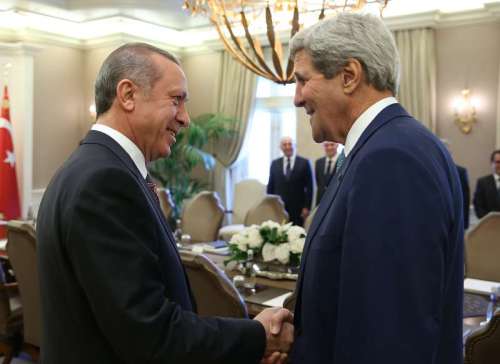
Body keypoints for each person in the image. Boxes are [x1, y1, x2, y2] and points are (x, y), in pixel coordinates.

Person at [36, 43, 293, 364]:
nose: (185, 119)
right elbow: (151, 335)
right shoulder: (105, 182)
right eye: (176, 100)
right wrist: (258, 336)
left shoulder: (90, 166)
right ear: (127, 95)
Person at [289, 13, 463, 364]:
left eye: (302, 80)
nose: (296, 98)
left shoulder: (391, 159)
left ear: (349, 76)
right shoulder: (379, 148)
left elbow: (389, 336)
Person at [267, 137, 313, 226]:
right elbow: (270, 186)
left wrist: (307, 207)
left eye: (290, 144)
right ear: (281, 147)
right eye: (285, 144)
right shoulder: (274, 163)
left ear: (294, 146)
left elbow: (310, 188)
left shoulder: (304, 163)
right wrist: (270, 206)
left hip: (298, 209)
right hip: (279, 208)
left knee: (297, 235)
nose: (288, 147)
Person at [473, 149, 500, 219]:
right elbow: (478, 206)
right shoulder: (482, 183)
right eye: (498, 162)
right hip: (489, 225)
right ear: (492, 163)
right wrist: (489, 222)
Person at [314, 141, 339, 205]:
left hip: (335, 200)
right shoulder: (318, 162)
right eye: (326, 145)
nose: (329, 147)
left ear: (337, 145)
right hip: (321, 200)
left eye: (332, 145)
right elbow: (318, 182)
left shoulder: (343, 161)